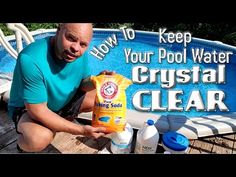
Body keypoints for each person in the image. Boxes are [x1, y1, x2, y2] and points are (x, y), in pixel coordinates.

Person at [8, 23, 113, 153]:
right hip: (28, 109)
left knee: (101, 96)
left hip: (61, 103)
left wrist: (98, 79)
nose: (76, 48)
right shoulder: (31, 58)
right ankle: (22, 145)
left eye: (83, 44)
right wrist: (81, 130)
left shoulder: (78, 52)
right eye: (71, 38)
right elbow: (38, 110)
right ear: (58, 30)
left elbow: (83, 84)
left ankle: (57, 122)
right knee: (38, 138)